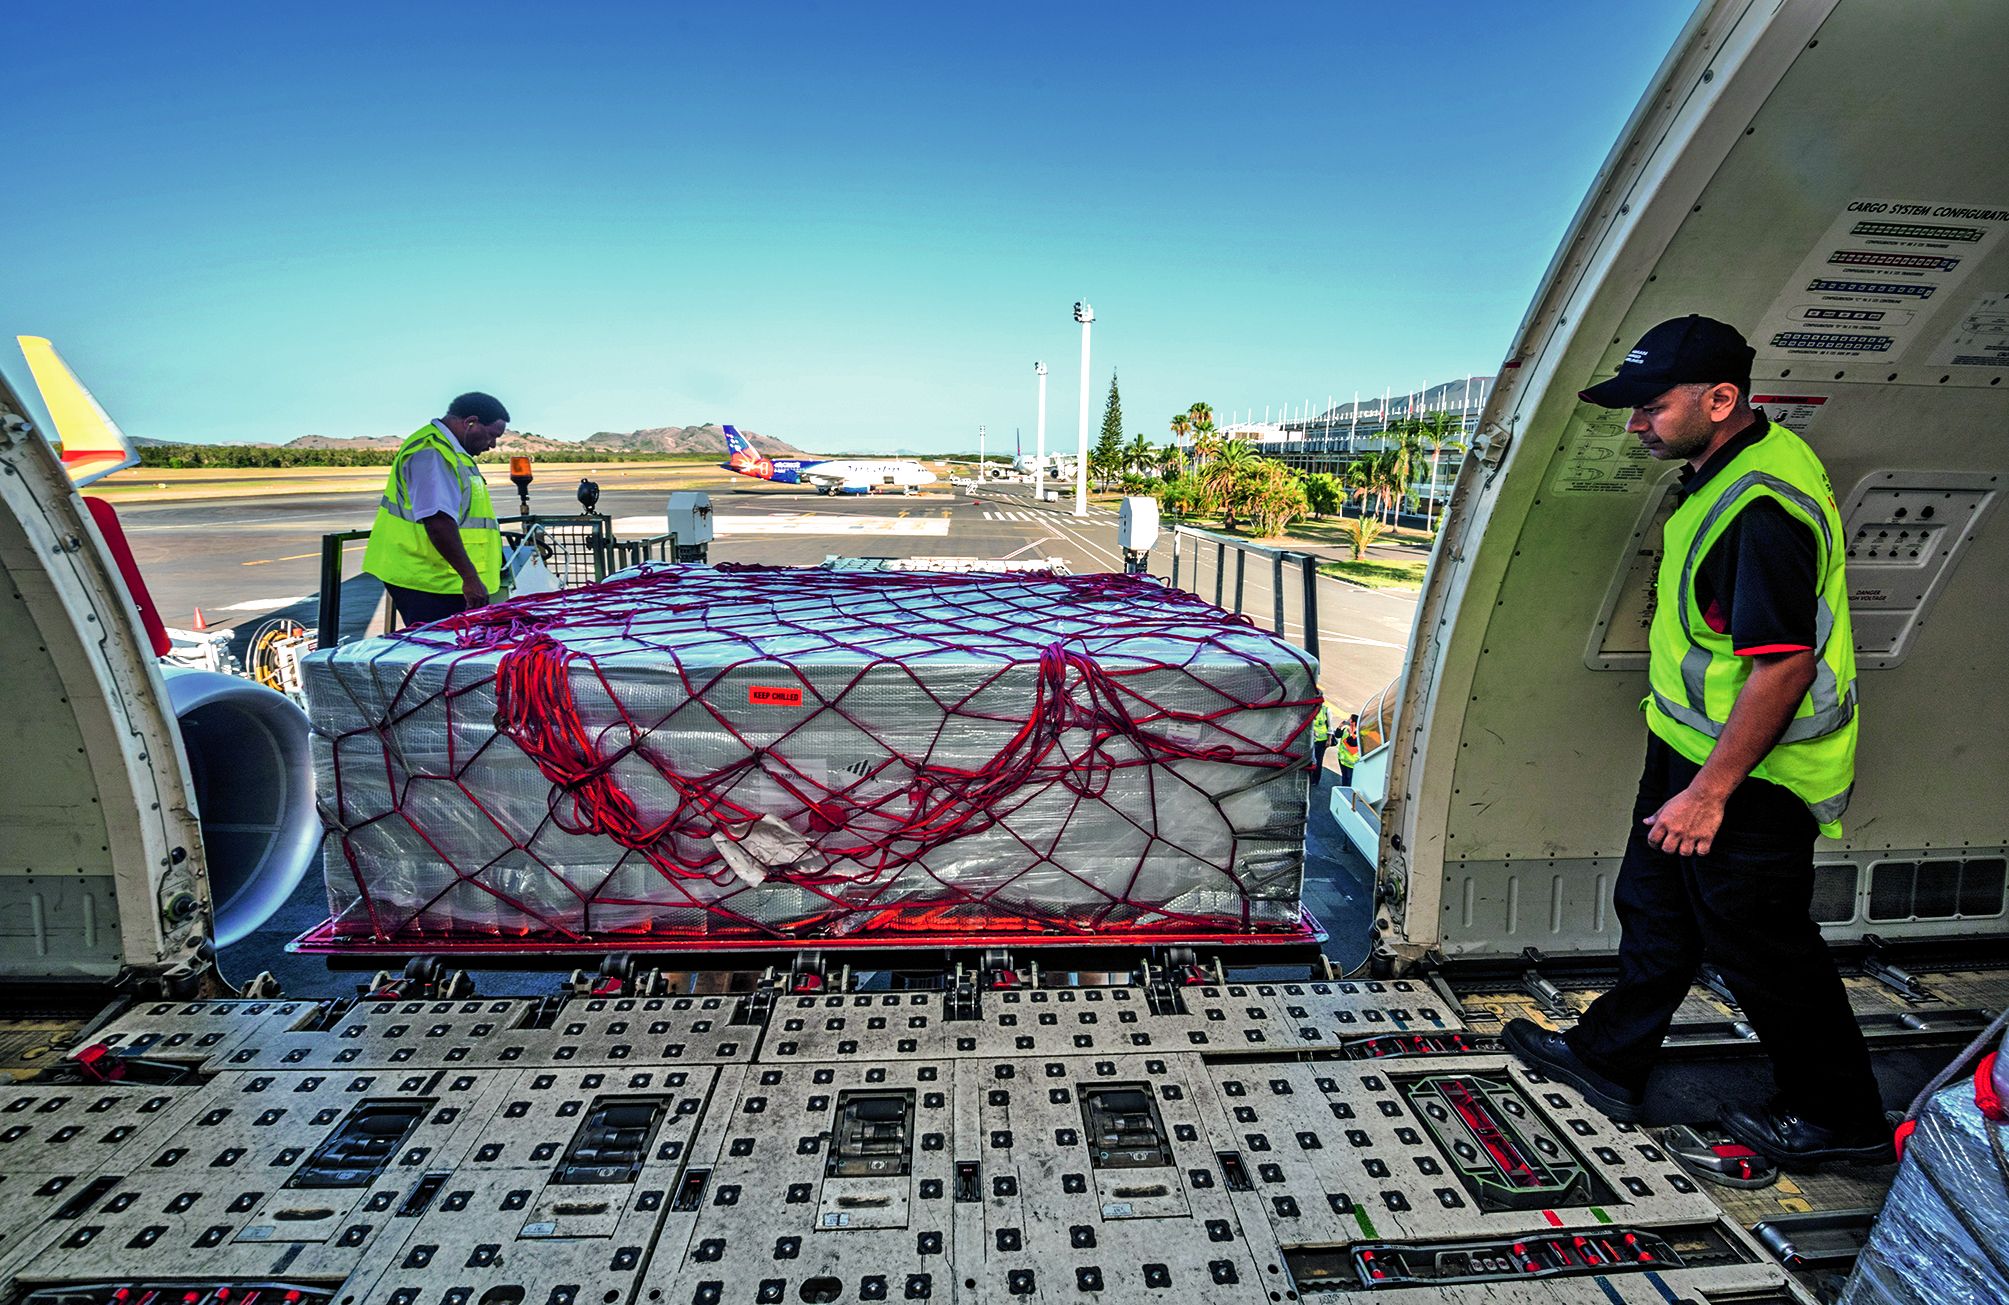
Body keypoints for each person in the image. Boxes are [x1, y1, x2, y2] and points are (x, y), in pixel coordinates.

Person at [1504, 315, 1887, 1169]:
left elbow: (1781, 668)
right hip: (1690, 744)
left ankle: (1842, 1116)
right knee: (1656, 905)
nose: (1634, 422)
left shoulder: (1759, 507)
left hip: (1754, 772)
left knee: (1758, 942)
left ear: (1720, 400)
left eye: (1650, 404)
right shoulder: (1724, 468)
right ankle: (1610, 1055)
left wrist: (1709, 790)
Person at [362, 393, 509, 626]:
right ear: (470, 422)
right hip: (429, 582)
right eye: (492, 435)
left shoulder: (454, 453)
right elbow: (438, 521)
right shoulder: (432, 452)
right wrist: (470, 578)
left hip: (443, 579)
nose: (492, 445)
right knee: (445, 654)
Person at [1336, 713, 1362, 786]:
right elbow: (1337, 735)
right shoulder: (1346, 729)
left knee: (1349, 779)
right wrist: (1340, 726)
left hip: (1351, 762)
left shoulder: (1357, 733)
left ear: (1352, 722)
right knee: (1344, 777)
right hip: (1342, 759)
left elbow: (1353, 743)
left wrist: (1351, 733)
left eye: (1349, 719)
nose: (1347, 720)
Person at [1310, 700, 1332, 778]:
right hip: (1310, 739)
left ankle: (1315, 778)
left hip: (1321, 741)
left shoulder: (1326, 710)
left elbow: (1330, 726)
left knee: (1318, 760)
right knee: (1309, 759)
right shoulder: (1310, 709)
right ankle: (1309, 776)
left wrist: (1329, 739)